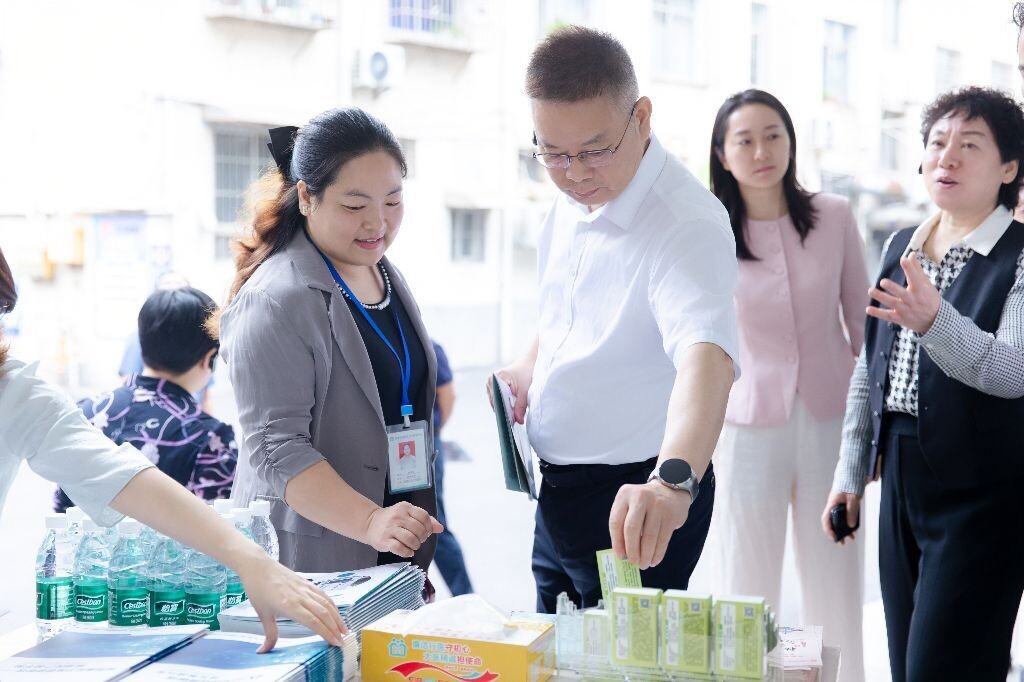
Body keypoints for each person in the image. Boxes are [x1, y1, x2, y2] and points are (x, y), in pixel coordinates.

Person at [491, 26, 739, 612]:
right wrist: (532, 364)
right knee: (553, 655)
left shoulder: (685, 223)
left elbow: (708, 357)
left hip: (636, 499)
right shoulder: (577, 192)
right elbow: (566, 304)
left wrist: (673, 481)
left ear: (643, 117)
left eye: (594, 149)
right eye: (552, 152)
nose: (574, 172)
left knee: (618, 668)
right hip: (556, 490)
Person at [0, 247, 345, 652]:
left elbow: (113, 483)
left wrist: (253, 561)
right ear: (209, 359)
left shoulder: (30, 397)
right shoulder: (207, 432)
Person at [824, 86, 1024, 682]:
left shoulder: (1018, 257)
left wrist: (935, 321)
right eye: (938, 143)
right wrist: (849, 476)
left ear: (1010, 168)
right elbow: (870, 370)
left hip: (985, 497)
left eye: (969, 145)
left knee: (947, 668)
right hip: (904, 482)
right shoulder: (898, 245)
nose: (948, 158)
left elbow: (1011, 370)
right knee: (907, 661)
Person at [216, 108, 442, 575]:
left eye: (393, 202)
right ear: (306, 197)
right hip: (312, 560)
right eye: (355, 206)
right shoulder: (277, 298)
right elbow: (277, 450)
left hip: (392, 545)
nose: (377, 223)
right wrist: (371, 521)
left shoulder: (380, 270)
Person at [698, 89, 868, 682]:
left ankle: (840, 677)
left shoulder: (835, 216)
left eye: (773, 134)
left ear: (791, 142)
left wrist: (863, 436)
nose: (762, 150)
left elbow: (863, 331)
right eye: (744, 140)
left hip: (829, 418)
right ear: (722, 154)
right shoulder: (711, 231)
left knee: (834, 576)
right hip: (746, 427)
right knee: (747, 579)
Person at [54, 287, 237, 512]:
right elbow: (223, 534)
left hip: (82, 547)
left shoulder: (85, 412)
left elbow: (62, 510)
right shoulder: (209, 438)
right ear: (208, 357)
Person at [118, 272, 215, 413]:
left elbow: (206, 395)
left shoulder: (202, 338)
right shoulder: (139, 336)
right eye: (167, 285)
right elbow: (126, 383)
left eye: (179, 285)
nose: (173, 289)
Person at [430, 340, 473, 596]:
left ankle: (466, 596)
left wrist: (434, 432)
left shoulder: (429, 347)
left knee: (435, 525)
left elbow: (447, 395)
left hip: (423, 443)